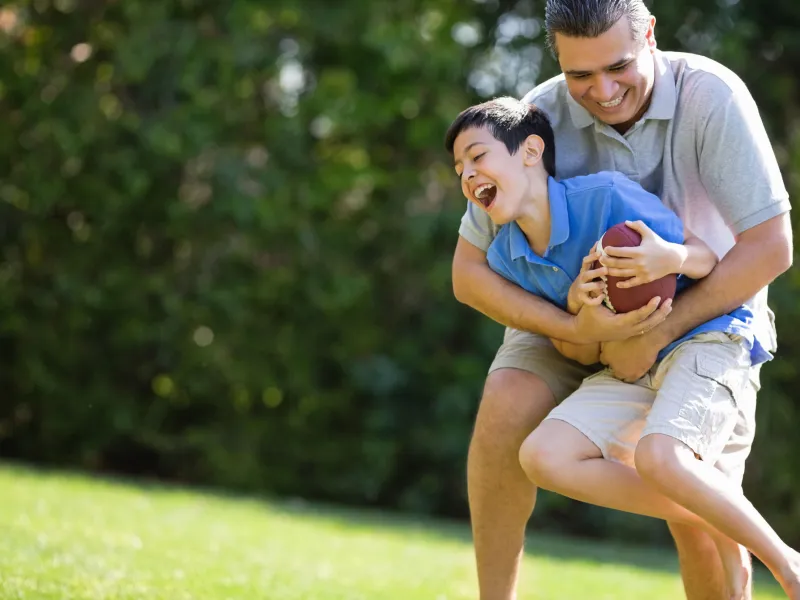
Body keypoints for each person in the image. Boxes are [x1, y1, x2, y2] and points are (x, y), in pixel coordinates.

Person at [451, 1, 793, 599]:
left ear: (650, 35)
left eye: (618, 67)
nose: (603, 91)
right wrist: (576, 330)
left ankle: (730, 527)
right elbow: (471, 271)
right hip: (574, 310)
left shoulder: (711, 96)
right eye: (580, 75)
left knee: (695, 522)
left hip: (704, 314)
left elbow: (770, 248)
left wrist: (654, 334)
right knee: (507, 407)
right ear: (558, 57)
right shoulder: (537, 117)